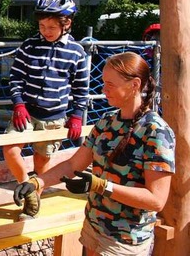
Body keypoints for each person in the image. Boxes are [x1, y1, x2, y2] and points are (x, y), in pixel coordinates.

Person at [13, 52, 175, 255]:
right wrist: (36, 183)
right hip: (94, 228)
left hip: (125, 240)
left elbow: (156, 199)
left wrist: (100, 185)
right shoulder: (106, 122)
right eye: (103, 82)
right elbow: (73, 165)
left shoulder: (156, 132)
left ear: (134, 85)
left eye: (111, 84)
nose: (103, 89)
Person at [3, 0, 89, 220]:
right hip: (27, 113)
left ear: (66, 23)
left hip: (54, 117)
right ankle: (26, 187)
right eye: (42, 26)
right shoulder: (29, 46)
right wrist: (19, 104)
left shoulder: (77, 53)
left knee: (42, 163)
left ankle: (31, 207)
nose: (45, 32)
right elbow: (15, 78)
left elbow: (81, 89)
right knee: (10, 149)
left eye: (51, 27)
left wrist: (77, 116)